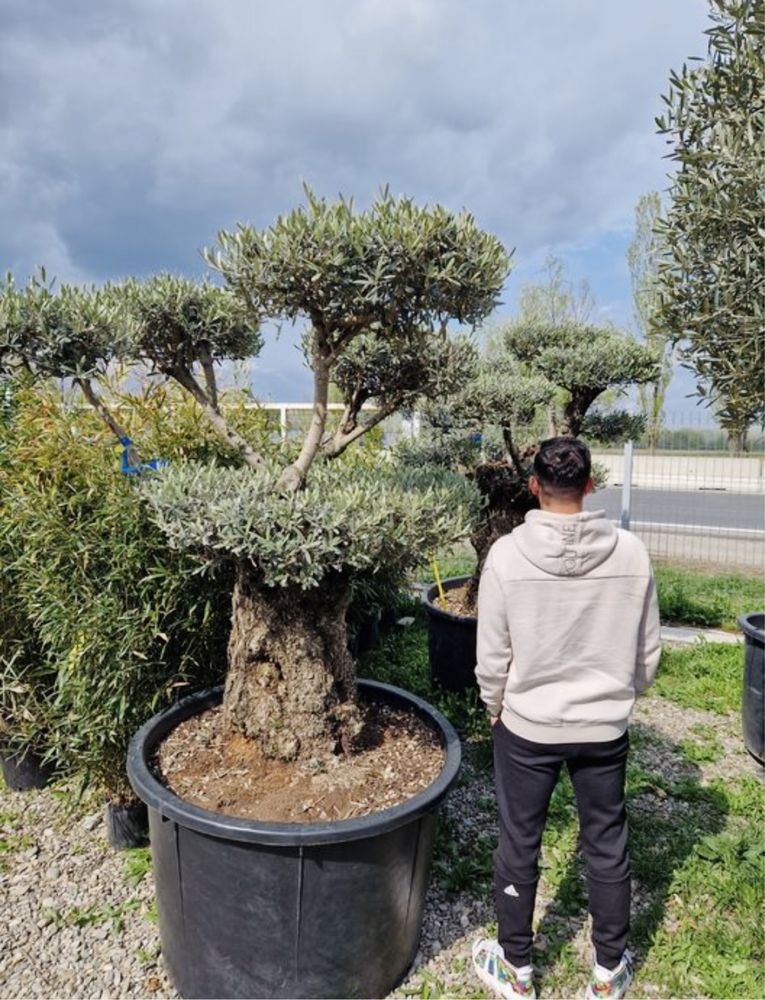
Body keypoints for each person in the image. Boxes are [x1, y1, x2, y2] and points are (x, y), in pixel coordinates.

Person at [471, 436, 661, 1000]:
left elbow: (492, 656)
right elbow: (647, 654)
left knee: (519, 839)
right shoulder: (631, 552)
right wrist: (623, 698)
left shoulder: (505, 555)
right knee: (605, 839)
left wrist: (494, 708)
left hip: (527, 725)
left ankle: (517, 968)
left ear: (533, 486)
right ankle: (608, 971)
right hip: (604, 727)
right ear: (591, 485)